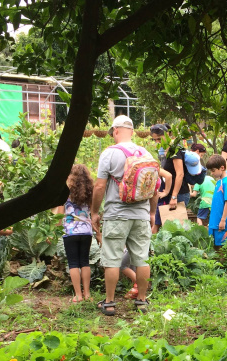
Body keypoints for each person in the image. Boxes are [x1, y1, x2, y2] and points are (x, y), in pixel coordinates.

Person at [90, 115, 158, 316]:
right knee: (141, 259)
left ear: (116, 131)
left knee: (112, 259)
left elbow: (100, 185)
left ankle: (110, 303)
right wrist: (152, 212)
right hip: (141, 215)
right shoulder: (146, 153)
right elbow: (154, 188)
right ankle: (142, 301)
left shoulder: (110, 153)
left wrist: (95, 212)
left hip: (117, 214)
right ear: (133, 132)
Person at [55, 164, 94, 303]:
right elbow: (94, 212)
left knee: (73, 263)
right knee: (85, 261)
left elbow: (59, 215)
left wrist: (55, 231)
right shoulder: (90, 191)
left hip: (70, 231)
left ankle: (78, 295)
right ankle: (87, 293)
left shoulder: (65, 192)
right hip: (86, 231)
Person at [206, 155, 227, 248]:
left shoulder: (226, 182)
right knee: (215, 246)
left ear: (222, 168)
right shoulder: (220, 181)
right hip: (215, 221)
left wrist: (223, 220)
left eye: (213, 170)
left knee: (222, 248)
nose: (212, 173)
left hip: (221, 223)